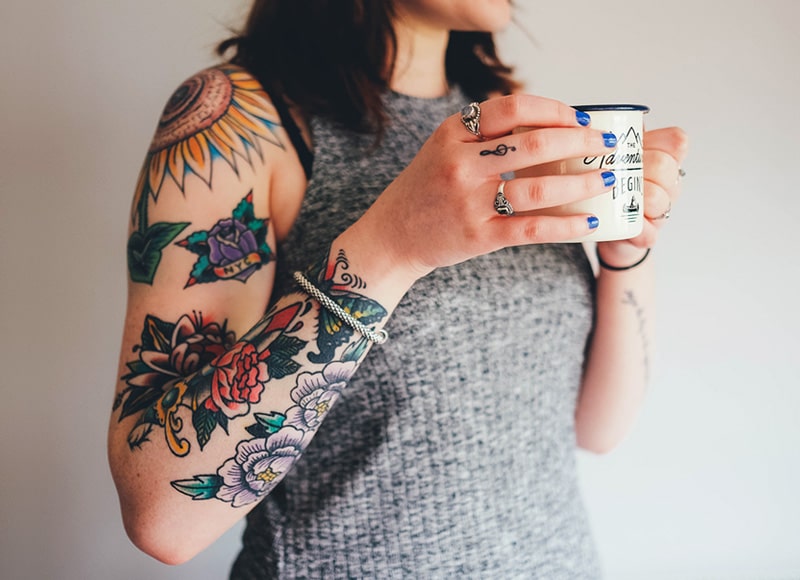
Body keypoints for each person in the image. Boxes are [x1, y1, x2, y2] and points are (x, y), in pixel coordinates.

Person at [108, 0, 688, 577]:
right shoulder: (235, 121)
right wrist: (392, 246)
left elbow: (596, 429)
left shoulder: (502, 123)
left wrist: (627, 254)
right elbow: (164, 519)